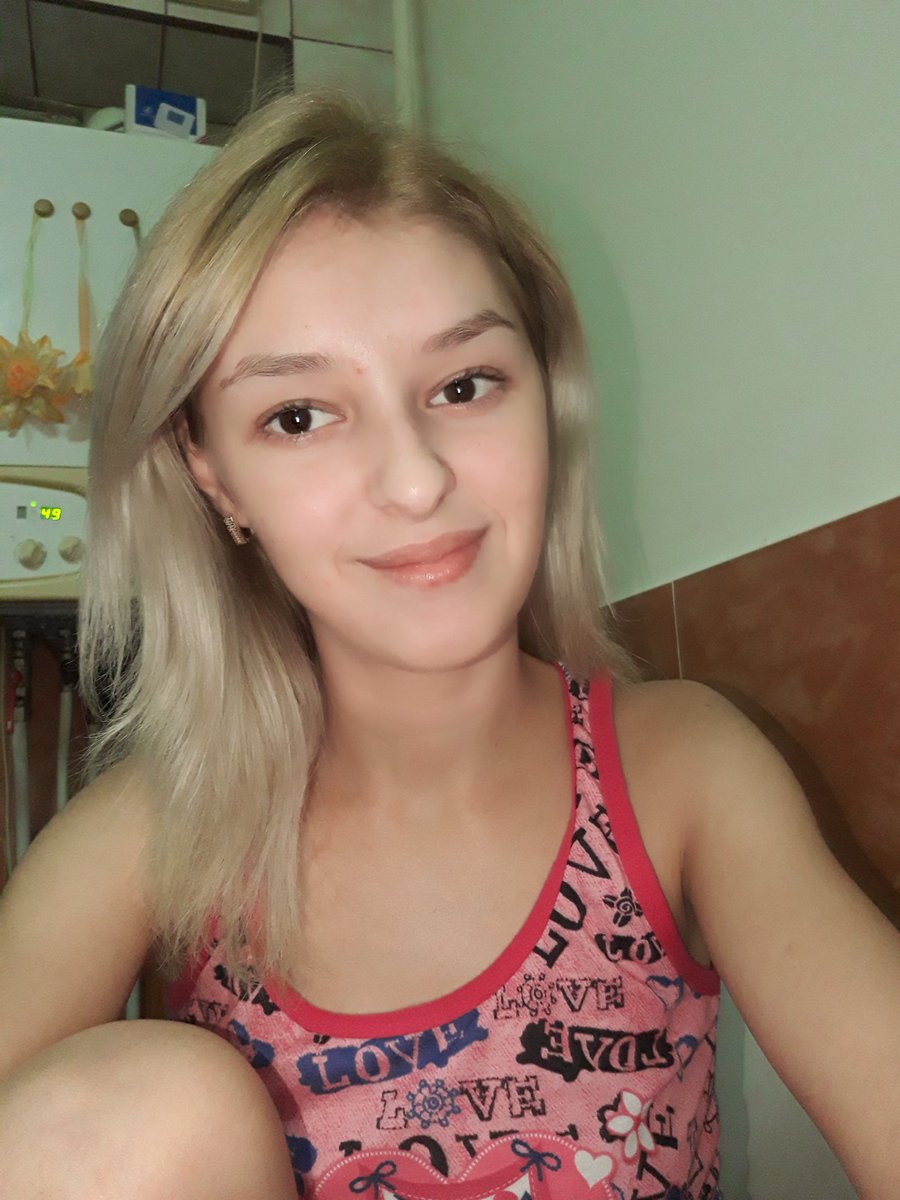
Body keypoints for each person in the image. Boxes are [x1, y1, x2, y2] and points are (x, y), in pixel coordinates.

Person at [0, 91, 897, 1200]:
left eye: (465, 386)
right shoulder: (150, 839)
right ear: (212, 474)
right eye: (298, 416)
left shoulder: (683, 771)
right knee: (125, 1116)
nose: (417, 478)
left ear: (544, 400)